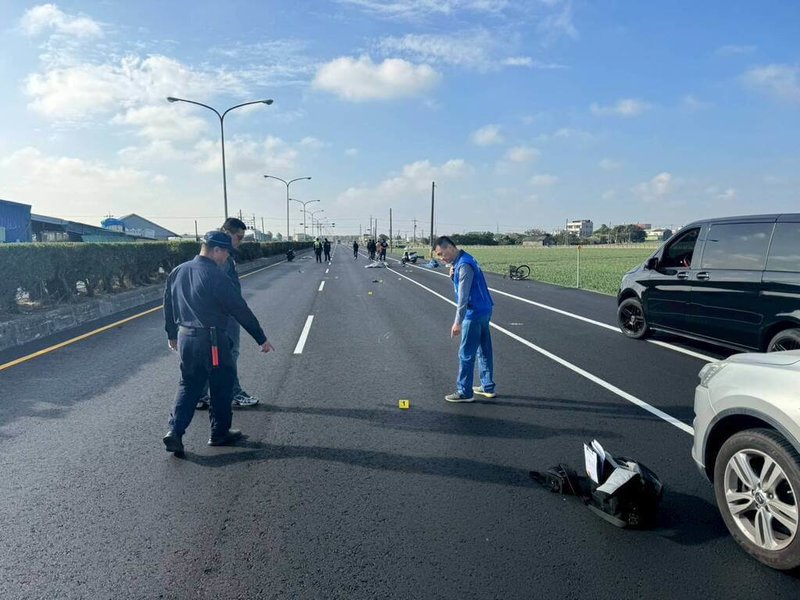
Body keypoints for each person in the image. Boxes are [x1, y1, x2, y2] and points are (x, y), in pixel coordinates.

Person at [162, 231, 274, 455]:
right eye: (226, 253)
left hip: (186, 337)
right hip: (212, 339)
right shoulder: (215, 275)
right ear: (216, 250)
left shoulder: (178, 271)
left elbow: (168, 305)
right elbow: (239, 308)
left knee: (188, 385)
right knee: (221, 385)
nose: (227, 258)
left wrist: (172, 334)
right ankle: (219, 433)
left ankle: (174, 432)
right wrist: (261, 338)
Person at [196, 218, 260, 410]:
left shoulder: (210, 254)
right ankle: (234, 393)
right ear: (227, 232)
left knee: (211, 355)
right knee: (229, 354)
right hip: (225, 316)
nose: (240, 241)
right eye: (238, 237)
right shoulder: (221, 258)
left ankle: (200, 395)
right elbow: (224, 292)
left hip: (208, 317)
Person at [434, 236, 496, 403]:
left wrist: (457, 322)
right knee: (484, 349)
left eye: (441, 254)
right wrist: (451, 277)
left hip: (473, 313)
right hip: (485, 309)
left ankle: (464, 392)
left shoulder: (464, 266)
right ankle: (487, 386)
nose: (441, 258)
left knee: (466, 353)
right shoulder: (466, 259)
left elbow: (463, 297)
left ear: (450, 248)